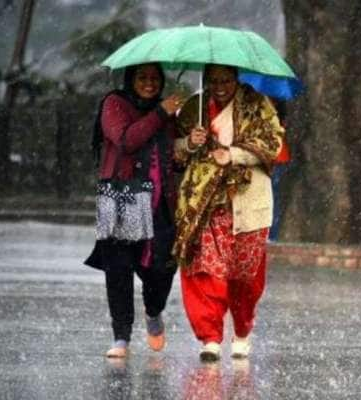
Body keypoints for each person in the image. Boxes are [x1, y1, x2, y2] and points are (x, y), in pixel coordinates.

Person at [172, 64, 284, 362]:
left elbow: (272, 144)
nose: (220, 86)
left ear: (237, 79)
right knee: (205, 267)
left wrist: (233, 154)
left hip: (248, 200)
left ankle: (243, 330)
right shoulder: (194, 107)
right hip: (204, 202)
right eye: (213, 81)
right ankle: (210, 337)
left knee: (245, 275)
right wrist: (188, 143)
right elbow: (174, 150)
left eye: (226, 80)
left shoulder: (258, 105)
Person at [84, 63, 183, 358]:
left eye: (155, 78)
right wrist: (161, 113)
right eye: (143, 78)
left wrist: (188, 145)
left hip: (160, 202)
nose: (149, 84)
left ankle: (154, 311)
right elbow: (127, 140)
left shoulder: (166, 113)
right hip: (121, 194)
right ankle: (121, 336)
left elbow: (175, 160)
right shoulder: (115, 103)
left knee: (161, 268)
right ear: (130, 79)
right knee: (120, 269)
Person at [269, 100, 290, 242]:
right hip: (278, 158)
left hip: (274, 159)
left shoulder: (269, 113)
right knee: (274, 198)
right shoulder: (279, 108)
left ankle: (271, 234)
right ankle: (271, 234)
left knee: (272, 198)